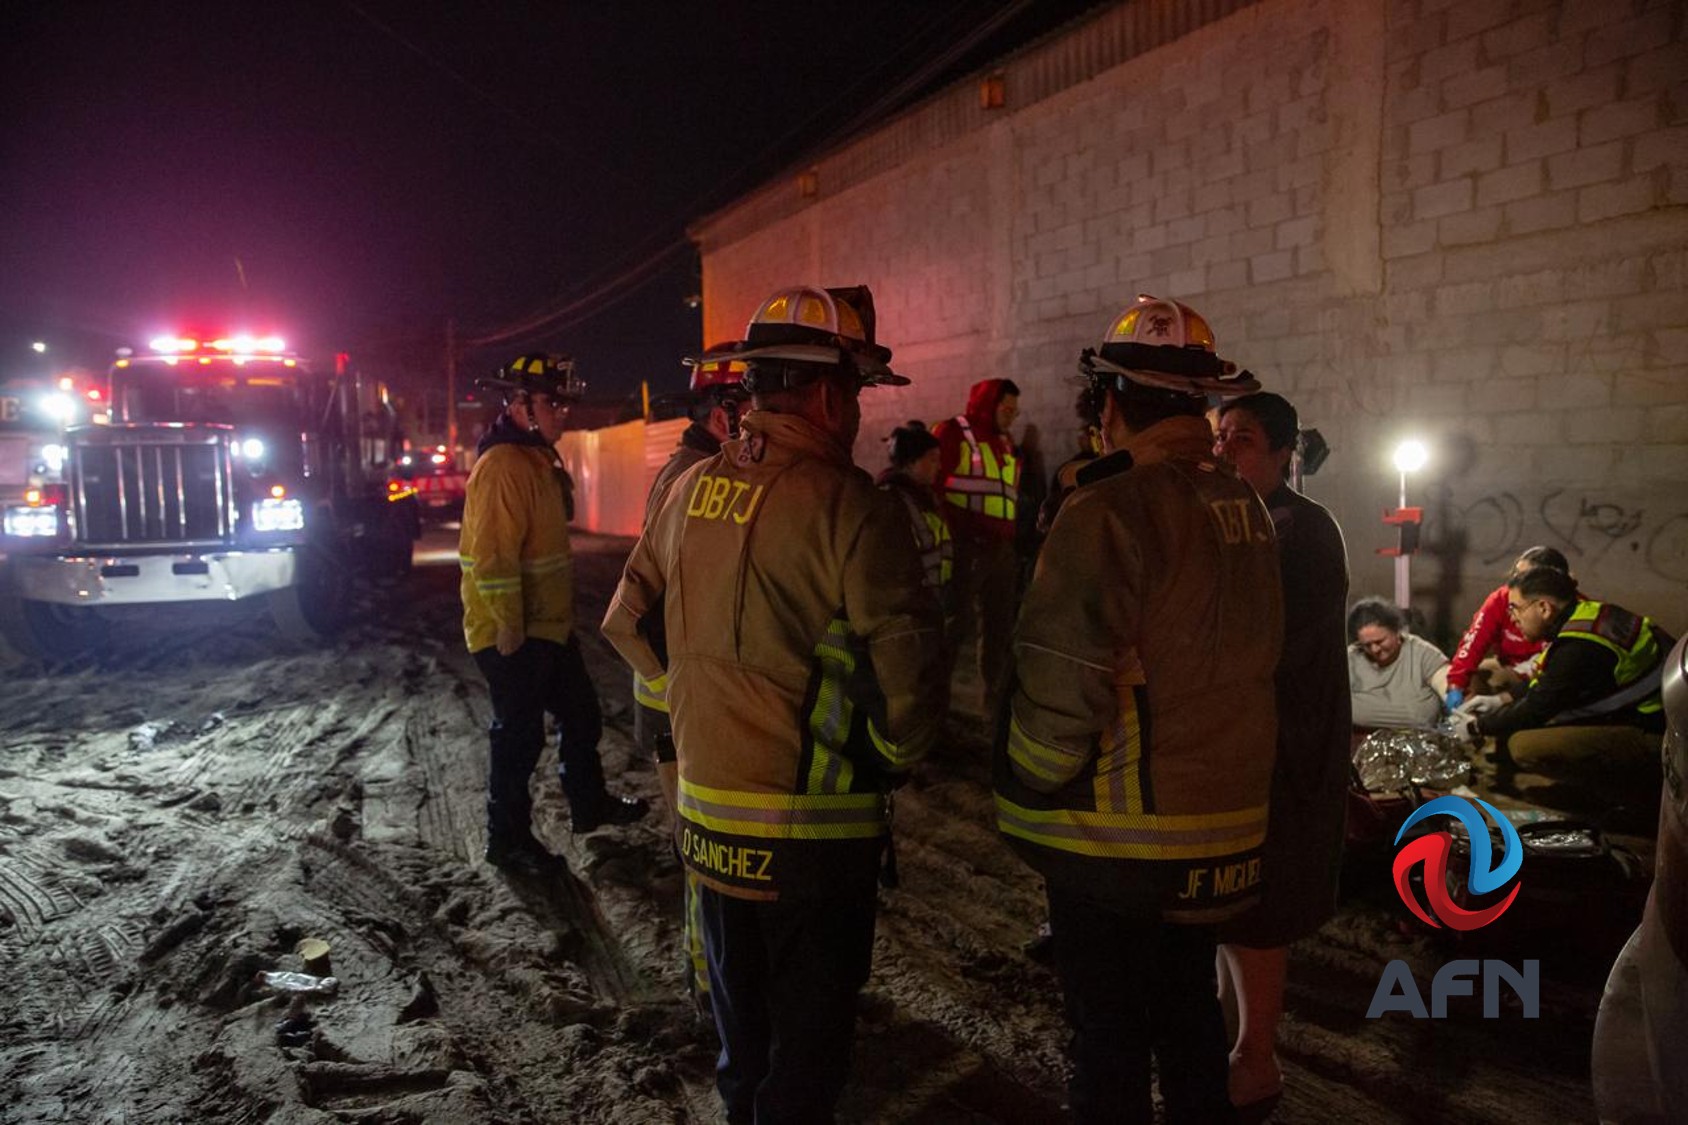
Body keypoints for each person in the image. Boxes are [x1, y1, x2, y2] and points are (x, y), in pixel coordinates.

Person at [602, 285, 946, 1124]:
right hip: (816, 836)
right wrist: (886, 754)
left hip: (711, 821)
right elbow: (910, 690)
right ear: (829, 394)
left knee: (743, 1040)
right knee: (809, 1052)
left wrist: (696, 717)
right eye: (858, 393)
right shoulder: (854, 507)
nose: (858, 413)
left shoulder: (686, 493)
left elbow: (627, 623)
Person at [995, 294, 1280, 1124]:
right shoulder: (1245, 505)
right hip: (1223, 828)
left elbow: (1063, 676)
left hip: (1121, 841)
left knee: (1108, 1039)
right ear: (1200, 403)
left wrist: (1030, 781)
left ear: (1111, 403)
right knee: (1188, 1020)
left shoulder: (1108, 506)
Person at [1212, 392, 1351, 1119]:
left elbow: (1274, 645)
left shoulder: (1303, 532)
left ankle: (1254, 1058)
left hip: (1287, 742)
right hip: (1250, 739)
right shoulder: (1243, 519)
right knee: (1232, 902)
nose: (1223, 450)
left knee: (1260, 906)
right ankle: (1232, 1037)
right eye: (1220, 435)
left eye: (1241, 439)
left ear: (1281, 453)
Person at [459, 354, 649, 875]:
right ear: (519, 405)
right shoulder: (503, 467)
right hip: (512, 632)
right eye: (552, 402)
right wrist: (509, 626)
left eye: (565, 402)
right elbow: (493, 559)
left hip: (546, 626)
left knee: (581, 714)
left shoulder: (535, 459)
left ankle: (589, 806)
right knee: (518, 738)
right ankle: (508, 841)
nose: (563, 412)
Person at [632, 350, 749, 1017]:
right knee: (704, 853)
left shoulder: (692, 469)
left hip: (675, 692)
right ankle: (710, 994)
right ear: (720, 412)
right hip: (679, 697)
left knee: (704, 849)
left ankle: (712, 987)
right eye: (748, 405)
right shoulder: (696, 477)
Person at [1452, 566, 1673, 773]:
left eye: (1515, 608)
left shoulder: (1577, 649)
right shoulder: (1589, 616)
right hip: (1663, 713)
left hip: (1658, 733)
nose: (1512, 617)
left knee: (1524, 745)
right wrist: (1501, 699)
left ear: (1544, 608)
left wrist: (1475, 728)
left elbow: (1537, 709)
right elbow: (1551, 680)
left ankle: (1621, 803)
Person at [933, 377, 1021, 718]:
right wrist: (956, 536)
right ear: (989, 403)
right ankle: (935, 706)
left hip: (1001, 550)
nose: (1012, 416)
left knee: (998, 630)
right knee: (954, 628)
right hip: (967, 548)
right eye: (1006, 408)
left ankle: (992, 707)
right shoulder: (954, 432)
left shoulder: (1006, 442)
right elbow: (937, 488)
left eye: (1015, 411)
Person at [1443, 546, 1570, 709]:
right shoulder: (1502, 599)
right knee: (1470, 677)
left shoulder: (1569, 614)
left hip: (1540, 674)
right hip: (1507, 663)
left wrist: (1491, 717)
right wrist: (1456, 685)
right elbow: (1473, 642)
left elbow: (1551, 676)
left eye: (1525, 578)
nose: (1515, 583)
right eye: (1515, 575)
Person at [877, 420, 954, 616]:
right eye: (933, 459)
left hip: (930, 601)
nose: (939, 466)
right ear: (912, 462)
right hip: (908, 608)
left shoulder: (926, 498)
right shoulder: (891, 500)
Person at [1348, 597, 1451, 729]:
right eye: (1367, 645)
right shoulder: (1351, 658)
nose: (1375, 649)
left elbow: (1446, 684)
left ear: (1397, 631)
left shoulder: (1423, 653)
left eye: (1380, 641)